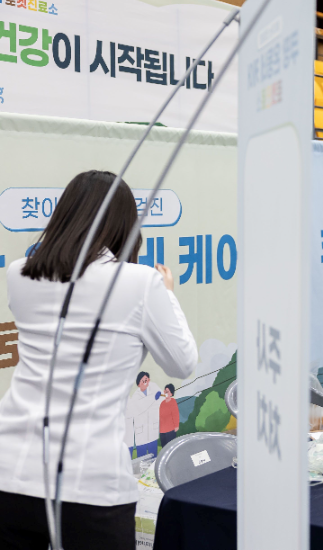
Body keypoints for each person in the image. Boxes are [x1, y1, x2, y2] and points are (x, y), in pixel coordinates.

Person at [0, 170, 197, 550]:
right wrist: (168, 294)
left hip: (9, 471)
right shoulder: (140, 282)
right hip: (88, 484)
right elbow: (181, 364)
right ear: (124, 225)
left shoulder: (18, 274)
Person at [124, 371, 162, 458]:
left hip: (152, 429)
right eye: (143, 381)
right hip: (141, 432)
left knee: (154, 456)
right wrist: (153, 399)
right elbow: (140, 407)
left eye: (146, 380)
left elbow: (161, 400)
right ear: (138, 384)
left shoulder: (153, 388)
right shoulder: (135, 397)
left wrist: (156, 399)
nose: (145, 382)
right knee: (142, 458)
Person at [159, 384, 180, 449]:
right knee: (164, 449)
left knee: (171, 448)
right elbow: (161, 416)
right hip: (162, 431)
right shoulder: (162, 403)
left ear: (171, 393)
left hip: (170, 430)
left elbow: (176, 414)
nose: (165, 393)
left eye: (167, 391)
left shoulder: (173, 402)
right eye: (165, 391)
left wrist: (176, 426)